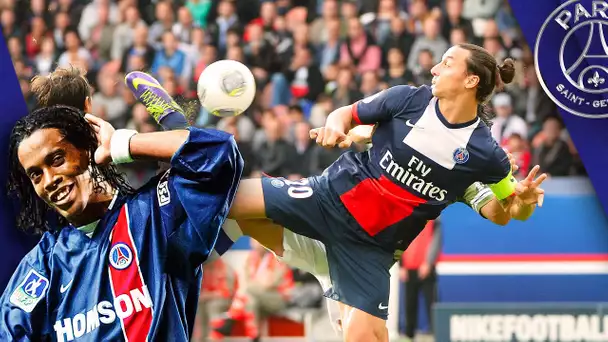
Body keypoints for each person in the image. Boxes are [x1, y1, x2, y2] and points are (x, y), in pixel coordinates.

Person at [127, 41, 546, 341]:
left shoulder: (484, 155)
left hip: (369, 250)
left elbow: (503, 210)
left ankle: (180, 142)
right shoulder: (409, 100)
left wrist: (522, 203)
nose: (435, 68)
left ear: (471, 80)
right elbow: (348, 113)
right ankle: (173, 143)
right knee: (225, 198)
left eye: (447, 63)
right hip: (326, 201)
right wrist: (335, 125)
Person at [0, 102, 243, 340]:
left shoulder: (156, 214)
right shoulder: (44, 264)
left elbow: (218, 152)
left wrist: (123, 145)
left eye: (56, 159)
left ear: (87, 149)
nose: (49, 179)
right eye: (36, 174)